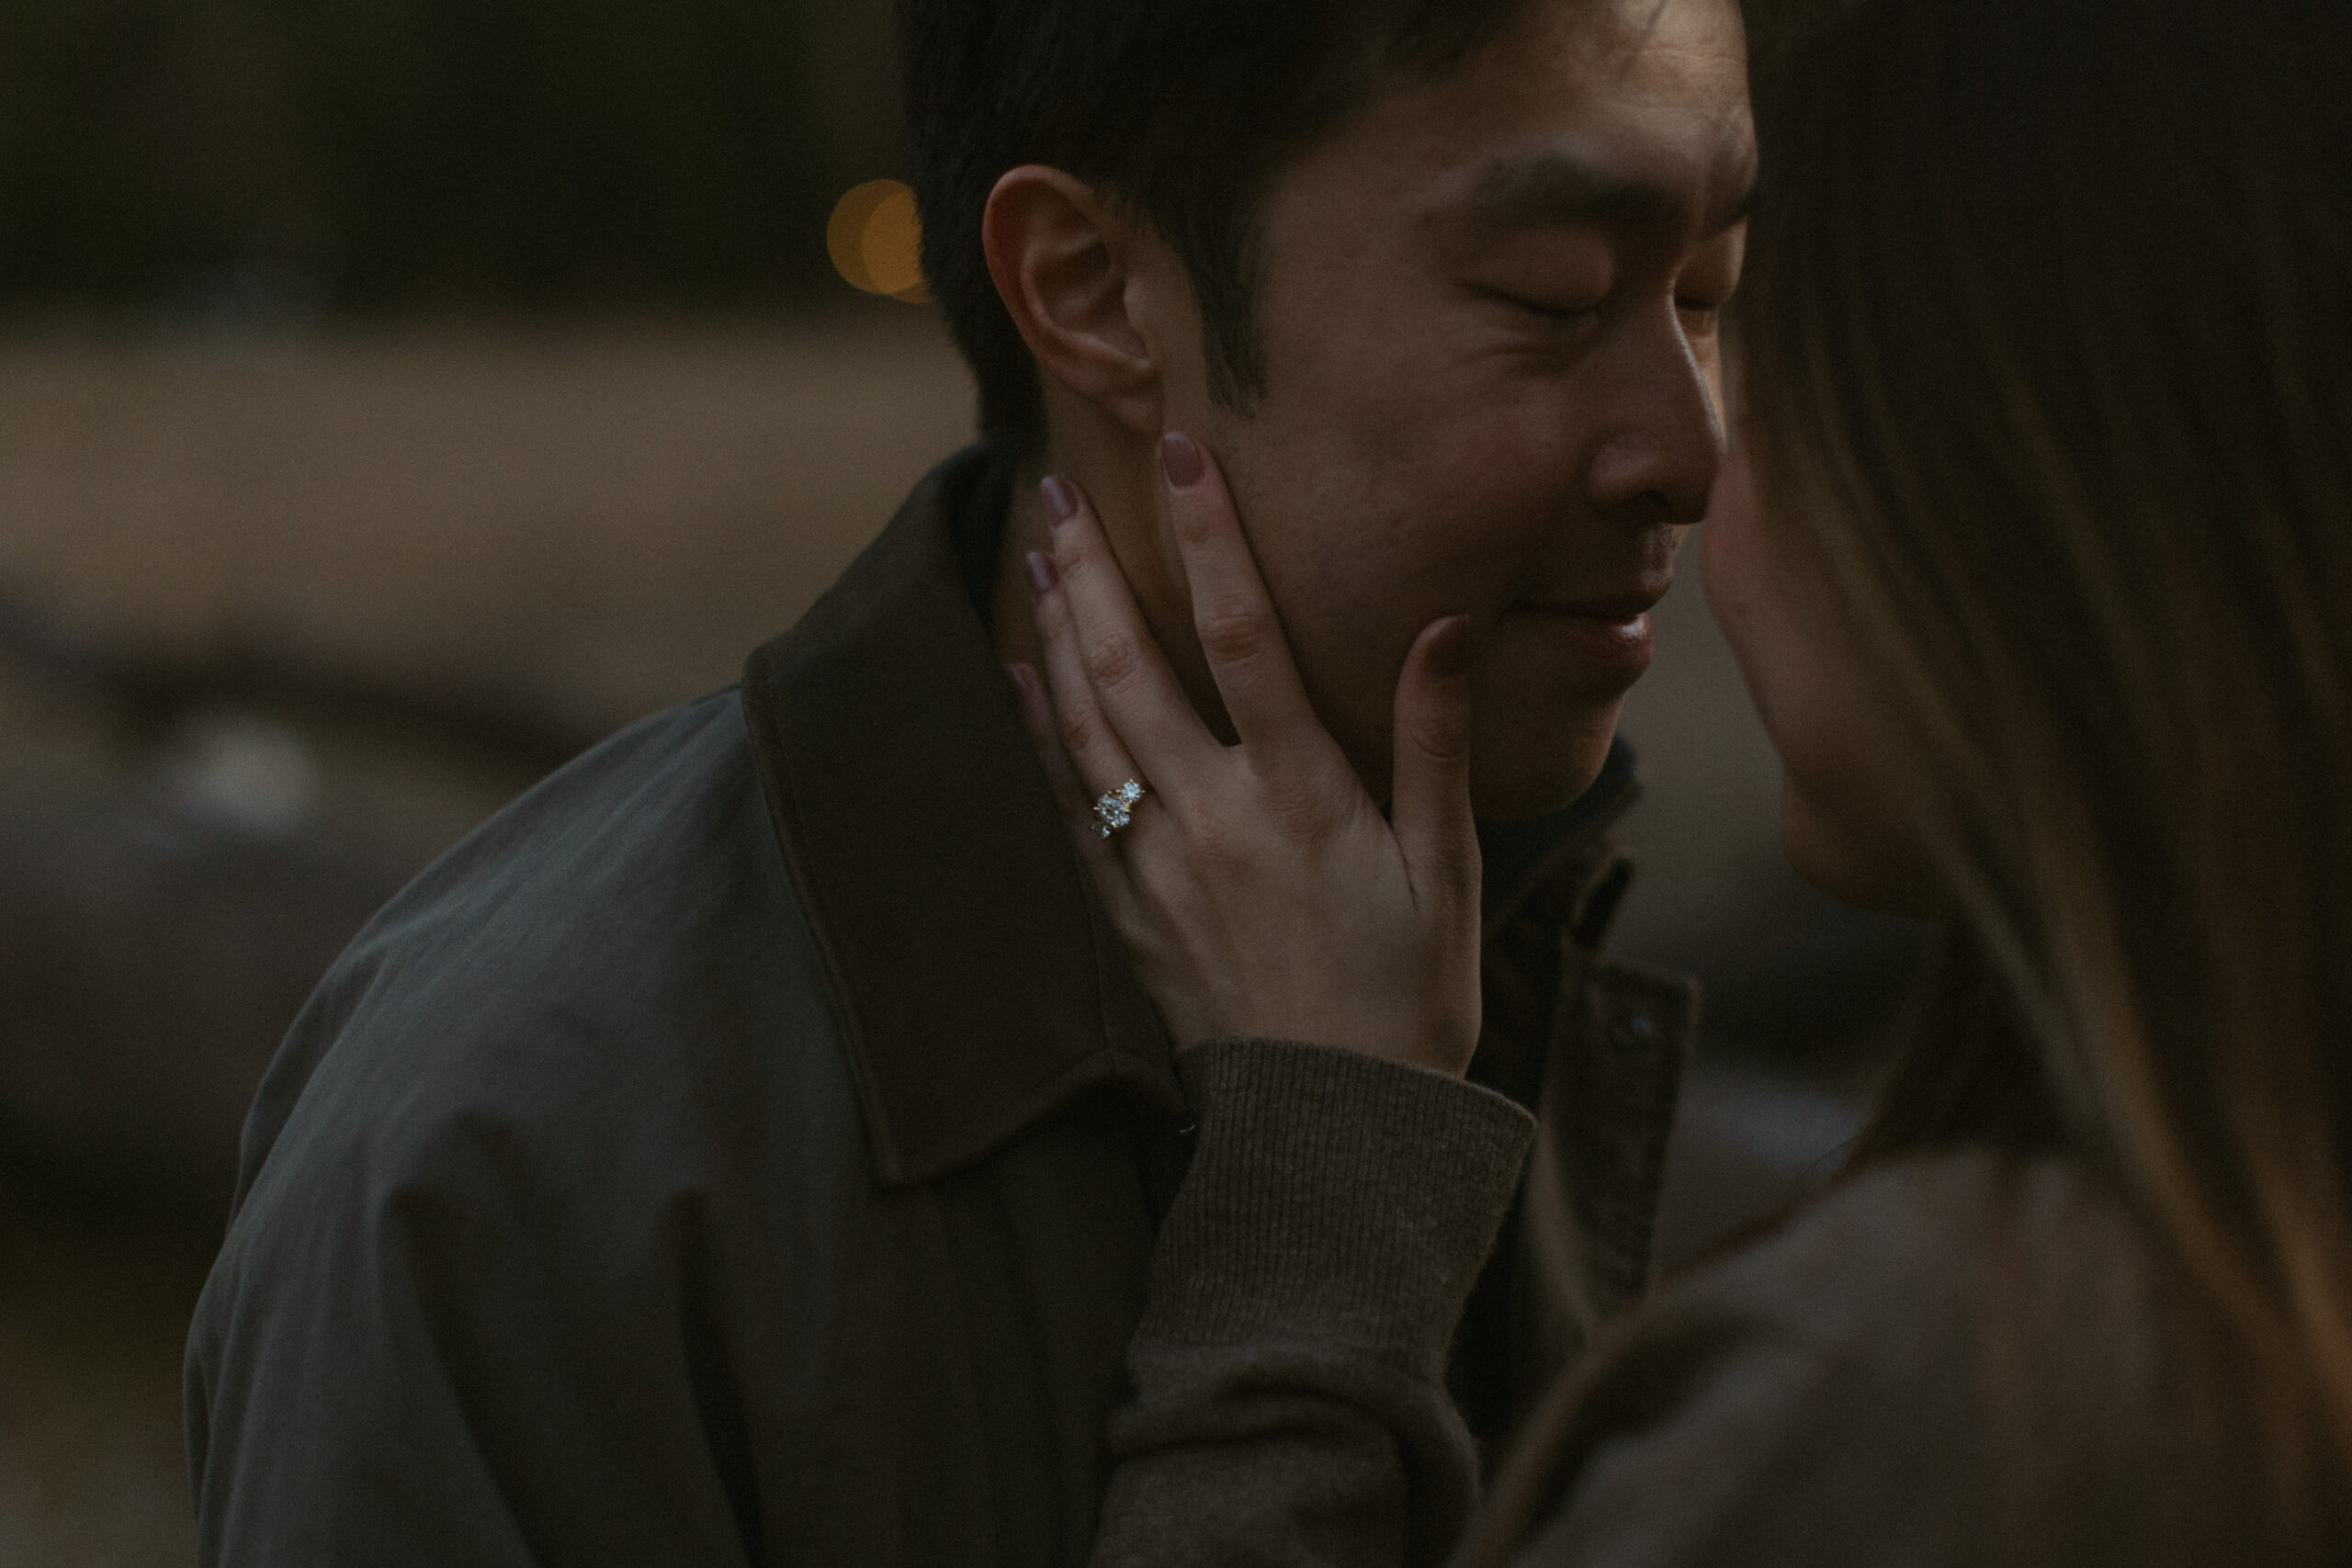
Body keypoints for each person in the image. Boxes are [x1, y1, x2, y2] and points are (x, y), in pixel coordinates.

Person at [183, 0, 1754, 1560]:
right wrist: (1323, 1220)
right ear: (1092, 292)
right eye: (1551, 298)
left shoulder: (1532, 952)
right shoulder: (518, 1179)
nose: (1694, 449)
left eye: (1708, 290)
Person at [1013, 0, 2352, 1561]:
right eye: (1554, 296)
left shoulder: (1961, 1383)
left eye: (1743, 328)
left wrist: (1318, 1198)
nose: (1701, 457)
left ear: (2068, 492)